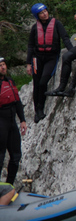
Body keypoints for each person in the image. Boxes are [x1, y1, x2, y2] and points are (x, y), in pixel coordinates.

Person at [26, 3, 73, 123]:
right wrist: (28, 63)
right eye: (41, 13)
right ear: (37, 16)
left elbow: (65, 38)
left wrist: (72, 51)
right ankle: (38, 111)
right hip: (37, 57)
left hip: (51, 57)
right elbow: (31, 46)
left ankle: (42, 105)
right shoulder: (35, 28)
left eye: (45, 11)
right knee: (37, 83)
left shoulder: (56, 23)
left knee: (43, 82)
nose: (45, 13)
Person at [0, 57, 27, 185]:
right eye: (0, 65)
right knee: (0, 157)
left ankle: (9, 185)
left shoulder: (10, 81)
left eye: (4, 64)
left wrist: (22, 120)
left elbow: (17, 102)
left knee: (16, 156)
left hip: (12, 122)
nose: (3, 67)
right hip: (1, 122)